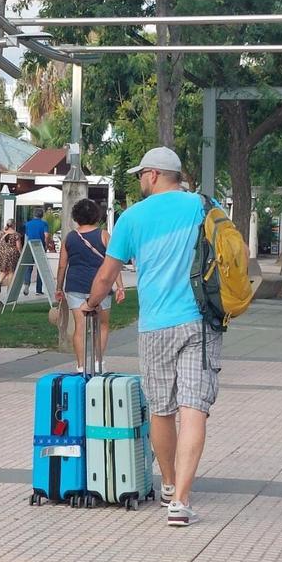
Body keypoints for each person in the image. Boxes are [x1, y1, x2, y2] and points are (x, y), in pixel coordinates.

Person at [78, 147, 217, 528]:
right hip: (200, 321)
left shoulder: (132, 218)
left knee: (162, 409)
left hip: (155, 325)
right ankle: (182, 502)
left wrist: (91, 303)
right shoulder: (203, 205)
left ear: (154, 175)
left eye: (141, 174)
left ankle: (170, 484)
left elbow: (107, 275)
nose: (140, 180)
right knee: (194, 408)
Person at [55, 199, 126, 372]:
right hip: (101, 287)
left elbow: (62, 265)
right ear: (96, 215)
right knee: (102, 324)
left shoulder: (69, 238)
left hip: (75, 285)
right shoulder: (104, 235)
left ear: (76, 217)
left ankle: (80, 365)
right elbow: (113, 262)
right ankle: (98, 362)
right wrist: (120, 287)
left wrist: (58, 287)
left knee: (80, 326)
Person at [21, 208, 51, 296]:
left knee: (28, 267)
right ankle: (38, 289)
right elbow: (46, 235)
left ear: (34, 214)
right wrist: (47, 244)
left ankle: (26, 284)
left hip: (30, 246)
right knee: (40, 269)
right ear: (42, 215)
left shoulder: (28, 224)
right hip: (39, 246)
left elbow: (26, 235)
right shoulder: (44, 223)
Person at [0, 220, 22, 287]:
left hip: (2, 253)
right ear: (14, 225)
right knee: (11, 271)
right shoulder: (16, 234)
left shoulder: (1, 233)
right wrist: (21, 254)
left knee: (4, 270)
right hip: (12, 254)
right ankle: (9, 289)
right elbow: (18, 246)